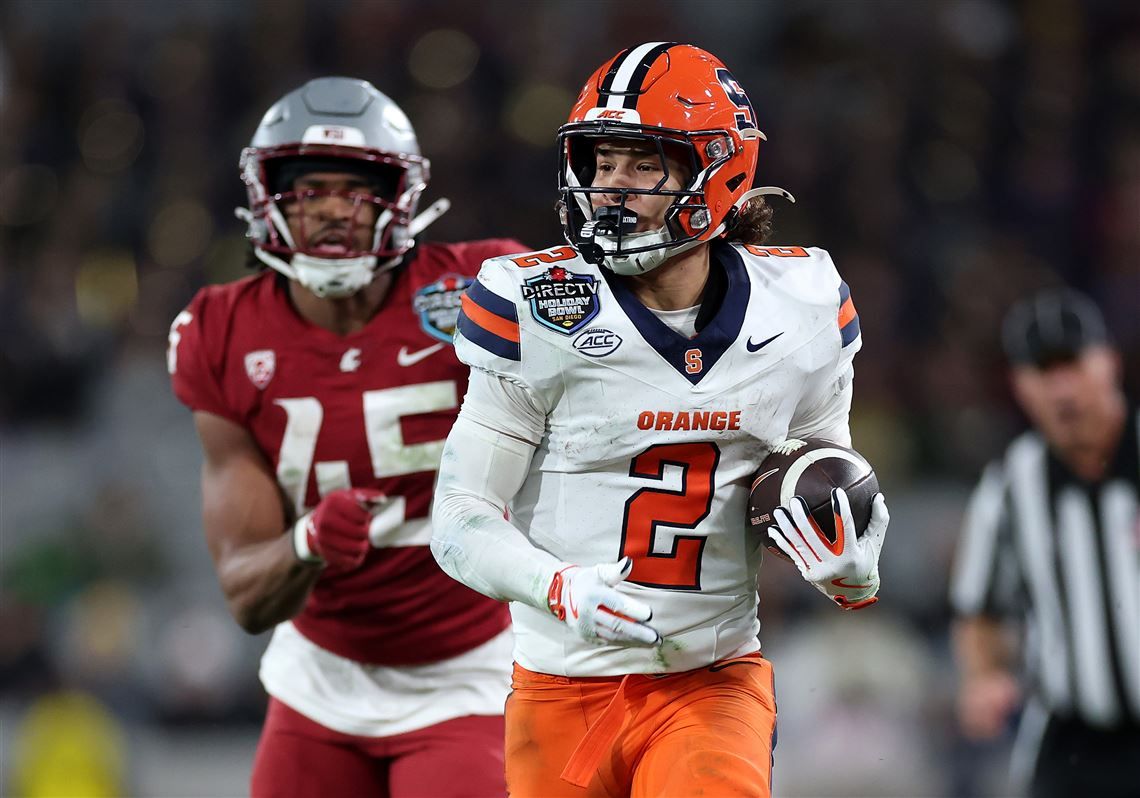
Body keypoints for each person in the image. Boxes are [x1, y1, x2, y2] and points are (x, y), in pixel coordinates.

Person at [431, 43, 890, 797]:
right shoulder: (535, 307)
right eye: (602, 162)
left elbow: (823, 475)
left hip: (711, 681)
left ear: (719, 172)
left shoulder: (801, 304)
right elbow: (457, 518)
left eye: (643, 165)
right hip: (559, 688)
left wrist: (848, 566)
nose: (611, 188)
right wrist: (558, 586)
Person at [167, 77, 528, 798]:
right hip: (319, 676)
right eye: (310, 191)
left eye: (358, 191)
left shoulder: (485, 290)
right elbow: (246, 594)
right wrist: (307, 542)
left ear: (401, 199)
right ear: (269, 199)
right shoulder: (221, 331)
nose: (334, 210)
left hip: (470, 666)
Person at [949, 288, 1140, 798]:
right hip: (1070, 741)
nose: (1061, 389)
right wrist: (985, 676)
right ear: (1020, 386)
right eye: (1042, 371)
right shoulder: (1012, 486)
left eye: (1071, 364)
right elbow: (979, 609)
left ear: (1109, 363)